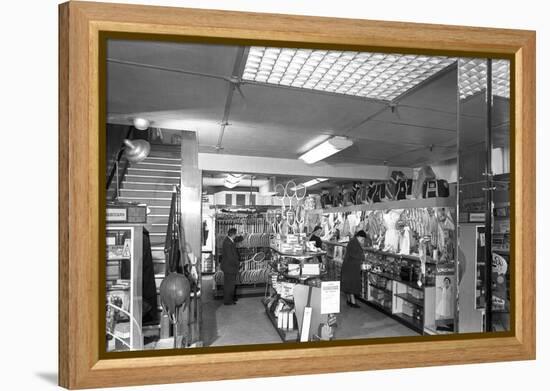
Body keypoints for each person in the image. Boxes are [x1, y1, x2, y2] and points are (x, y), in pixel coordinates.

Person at [341, 230, 367, 308]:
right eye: (362, 239)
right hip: (351, 267)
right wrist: (363, 257)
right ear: (358, 237)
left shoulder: (353, 242)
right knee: (351, 284)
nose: (362, 241)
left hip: (350, 266)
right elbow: (355, 255)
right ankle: (353, 302)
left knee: (349, 284)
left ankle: (349, 301)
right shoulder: (353, 243)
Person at [220, 228, 241, 305]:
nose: (236, 236)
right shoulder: (228, 243)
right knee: (229, 285)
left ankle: (229, 299)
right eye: (236, 234)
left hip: (229, 267)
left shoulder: (229, 240)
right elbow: (230, 257)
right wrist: (237, 263)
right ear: (233, 235)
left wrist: (242, 236)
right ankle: (228, 301)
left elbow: (236, 240)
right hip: (229, 267)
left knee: (229, 284)